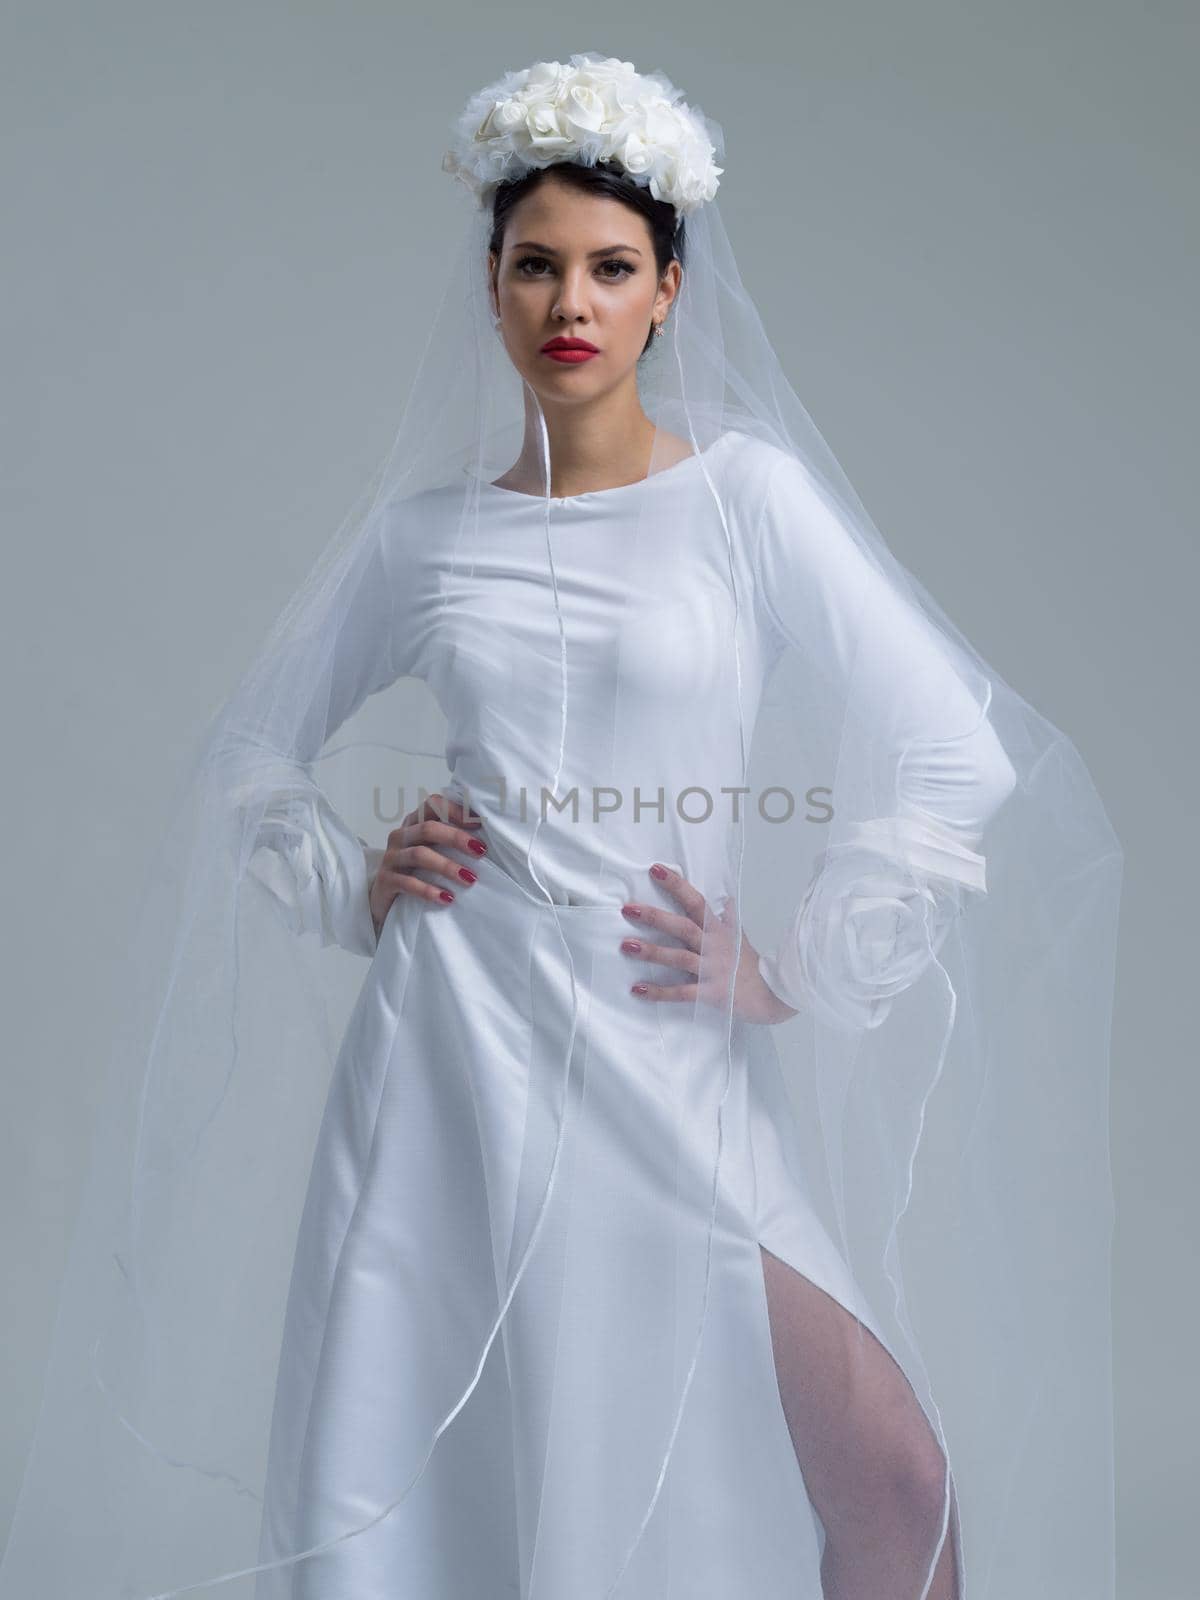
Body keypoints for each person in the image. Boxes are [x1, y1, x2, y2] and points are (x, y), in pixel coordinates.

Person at [0, 53, 1122, 1600]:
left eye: (609, 267)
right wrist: (352, 879)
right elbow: (250, 750)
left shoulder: (745, 503)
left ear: (671, 290)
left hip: (675, 1067)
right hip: (457, 1068)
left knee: (894, 1475)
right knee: (485, 1487)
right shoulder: (424, 543)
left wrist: (796, 966)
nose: (568, 303)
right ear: (491, 288)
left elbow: (953, 751)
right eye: (535, 266)